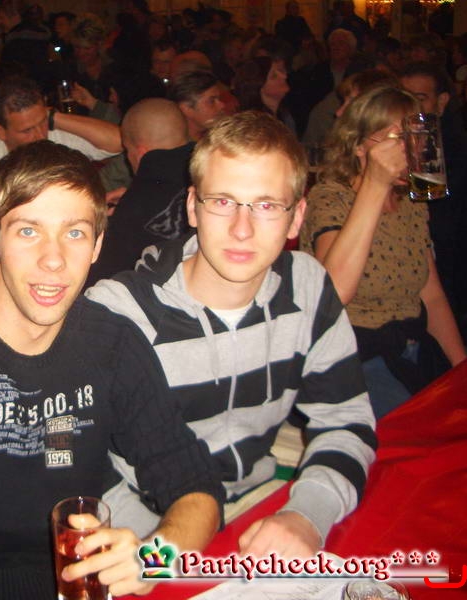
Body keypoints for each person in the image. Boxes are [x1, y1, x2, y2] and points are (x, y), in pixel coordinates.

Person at [0, 139, 223, 599]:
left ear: (97, 245)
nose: (53, 260)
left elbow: (196, 488)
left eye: (74, 233)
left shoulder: (113, 343)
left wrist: (153, 562)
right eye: (28, 231)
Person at [87, 111, 377, 555]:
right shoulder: (120, 313)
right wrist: (164, 553)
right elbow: (76, 460)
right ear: (192, 207)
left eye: (267, 205)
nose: (242, 229)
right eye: (223, 201)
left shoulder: (307, 286)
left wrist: (306, 516)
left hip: (259, 507)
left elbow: (346, 422)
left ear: (297, 218)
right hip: (146, 531)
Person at [299, 85, 466, 418]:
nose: (409, 149)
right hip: (355, 356)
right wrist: (375, 184)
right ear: (359, 145)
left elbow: (431, 295)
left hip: (412, 348)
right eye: (395, 138)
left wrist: (460, 366)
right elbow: (332, 294)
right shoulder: (331, 197)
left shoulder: (411, 201)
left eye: (414, 137)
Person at [0, 76, 121, 271]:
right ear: (0, 132)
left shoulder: (51, 136)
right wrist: (2, 273)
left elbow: (118, 143)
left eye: (42, 122)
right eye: (26, 130)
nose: (40, 135)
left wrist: (53, 118)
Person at [87, 98, 192, 286]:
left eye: (127, 150)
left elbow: (99, 277)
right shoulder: (212, 175)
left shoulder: (135, 207)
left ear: (141, 153)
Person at [400, 62, 467, 330]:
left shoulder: (447, 150)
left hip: (448, 278)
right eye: (404, 98)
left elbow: (437, 224)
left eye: (420, 98)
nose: (411, 107)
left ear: (441, 103)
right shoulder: (398, 144)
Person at [167, 68, 225, 141]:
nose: (222, 105)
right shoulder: (170, 144)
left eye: (219, 99)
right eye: (211, 101)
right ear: (186, 109)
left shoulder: (221, 139)